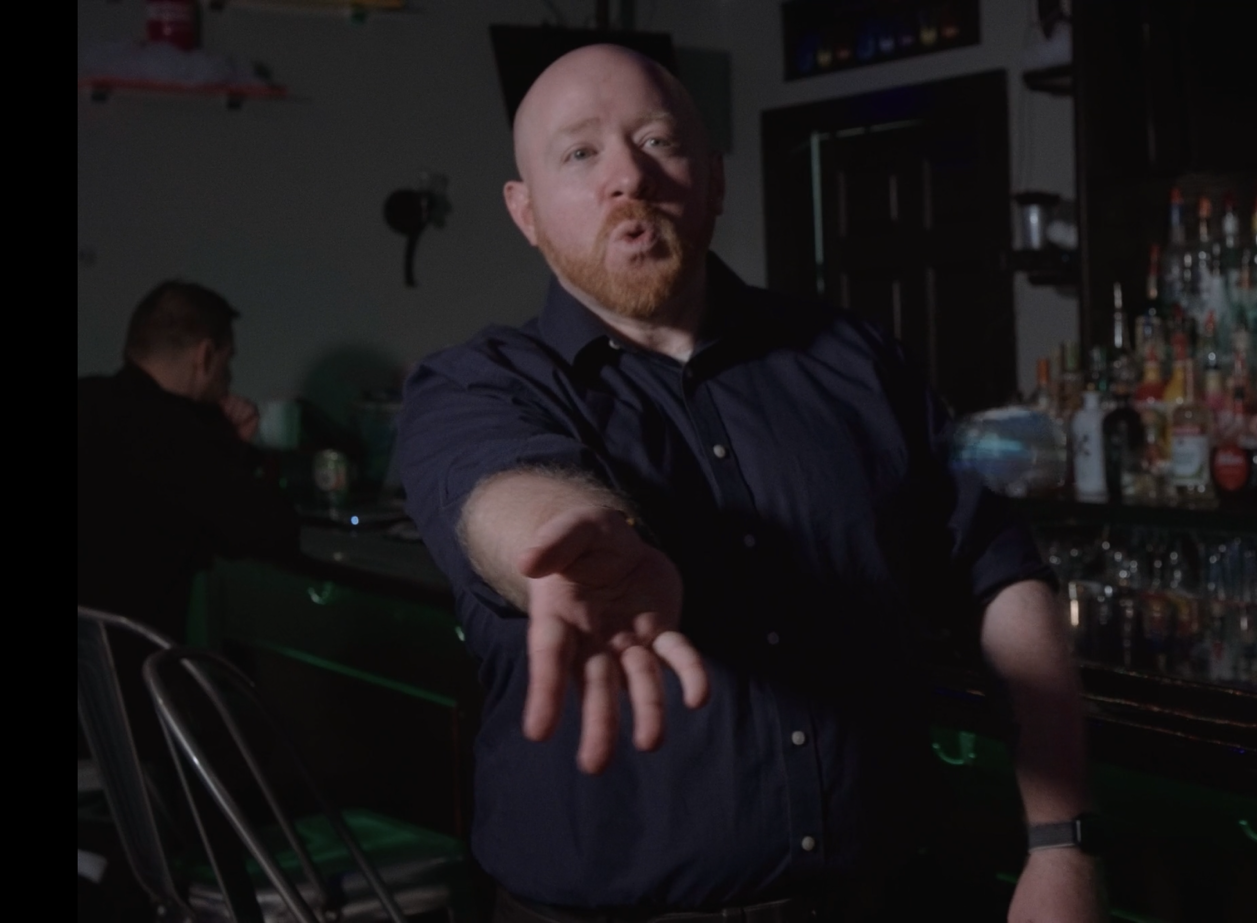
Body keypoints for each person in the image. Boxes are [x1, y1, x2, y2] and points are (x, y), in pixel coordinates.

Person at [396, 46, 1097, 922]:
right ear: (524, 210)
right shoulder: (477, 383)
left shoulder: (858, 360)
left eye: (658, 140)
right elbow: (498, 492)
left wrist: (1061, 844)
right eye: (579, 152)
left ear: (715, 178)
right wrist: (575, 540)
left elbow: (999, 572)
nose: (628, 175)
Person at [76, 280, 298, 637]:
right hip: (132, 660)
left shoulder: (87, 399)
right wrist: (230, 449)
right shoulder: (174, 435)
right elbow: (272, 529)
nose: (229, 378)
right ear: (205, 356)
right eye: (228, 362)